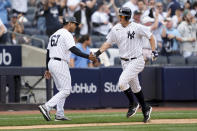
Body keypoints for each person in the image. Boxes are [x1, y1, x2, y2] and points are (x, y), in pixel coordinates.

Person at [94, 7, 158, 123]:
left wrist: (153, 51)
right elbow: (108, 43)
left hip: (137, 60)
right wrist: (97, 53)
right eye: (119, 16)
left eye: (122, 16)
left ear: (127, 17)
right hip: (124, 61)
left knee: (122, 82)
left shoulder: (137, 27)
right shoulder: (116, 29)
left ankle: (133, 103)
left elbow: (151, 36)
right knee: (136, 88)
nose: (120, 18)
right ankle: (145, 108)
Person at [38, 16, 96, 121]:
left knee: (61, 90)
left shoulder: (54, 34)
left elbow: (48, 52)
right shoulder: (67, 33)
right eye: (74, 24)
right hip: (60, 62)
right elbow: (73, 49)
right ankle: (46, 107)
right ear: (69, 23)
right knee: (66, 90)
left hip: (52, 61)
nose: (75, 26)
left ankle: (59, 114)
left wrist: (47, 68)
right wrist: (87, 56)